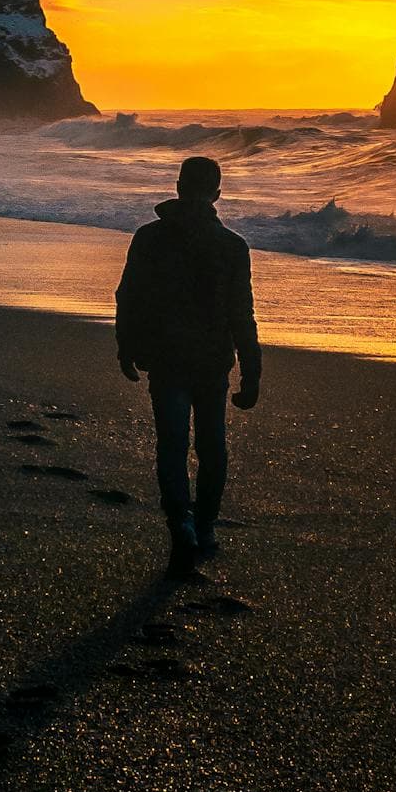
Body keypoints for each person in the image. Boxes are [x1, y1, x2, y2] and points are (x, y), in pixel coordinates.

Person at [114, 155, 261, 577]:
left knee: (173, 444)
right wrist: (252, 372)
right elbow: (242, 315)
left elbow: (129, 298)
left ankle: (181, 523)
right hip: (212, 362)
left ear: (178, 187)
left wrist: (126, 347)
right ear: (217, 193)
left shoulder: (149, 238)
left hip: (166, 359)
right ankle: (205, 525)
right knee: (212, 449)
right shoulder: (232, 246)